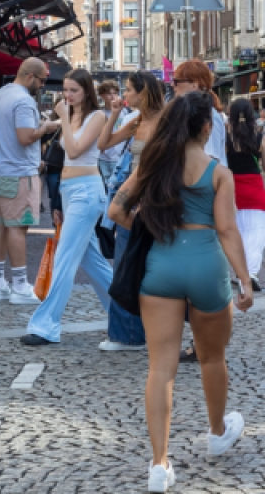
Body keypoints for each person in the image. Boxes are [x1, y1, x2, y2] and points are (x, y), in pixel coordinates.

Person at [108, 92, 254, 493]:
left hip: (162, 266)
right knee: (212, 358)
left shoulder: (154, 166)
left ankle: (159, 465)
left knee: (161, 369)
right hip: (207, 266)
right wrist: (244, 280)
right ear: (207, 128)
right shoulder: (218, 172)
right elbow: (227, 230)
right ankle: (218, 432)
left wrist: (147, 222)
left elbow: (116, 211)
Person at [21, 69, 113, 345]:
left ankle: (46, 326)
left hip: (87, 192)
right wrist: (58, 201)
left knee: (65, 258)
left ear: (86, 91)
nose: (68, 95)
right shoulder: (70, 115)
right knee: (93, 263)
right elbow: (61, 161)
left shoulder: (97, 117)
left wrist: (62, 117)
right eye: (65, 89)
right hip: (71, 191)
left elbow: (74, 151)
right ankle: (129, 315)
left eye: (74, 90)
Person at [95, 70, 166, 352]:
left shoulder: (165, 121)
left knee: (150, 268)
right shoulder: (136, 121)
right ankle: (127, 335)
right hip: (132, 202)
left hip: (153, 202)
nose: (123, 95)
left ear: (142, 92)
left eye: (127, 90)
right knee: (125, 266)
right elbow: (103, 145)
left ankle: (139, 333)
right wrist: (113, 114)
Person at [0, 58, 59, 304]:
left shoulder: (0, 95)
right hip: (18, 173)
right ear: (30, 76)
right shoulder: (24, 101)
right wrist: (46, 127)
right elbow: (26, 137)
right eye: (42, 80)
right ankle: (19, 286)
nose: (43, 85)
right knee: (17, 228)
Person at [227, 99, 265, 291]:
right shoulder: (258, 137)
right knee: (257, 233)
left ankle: (240, 274)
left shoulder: (226, 137)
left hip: (231, 187)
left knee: (235, 233)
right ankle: (250, 273)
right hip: (254, 188)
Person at [173, 60, 228, 168]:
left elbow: (212, 157)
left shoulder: (210, 115)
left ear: (194, 85)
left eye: (176, 81)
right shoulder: (192, 113)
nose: (172, 85)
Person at [96, 80, 129, 184]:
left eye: (115, 93)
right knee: (105, 185)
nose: (113, 96)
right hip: (103, 157)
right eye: (109, 93)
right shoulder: (100, 113)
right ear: (102, 96)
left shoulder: (123, 112)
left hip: (119, 156)